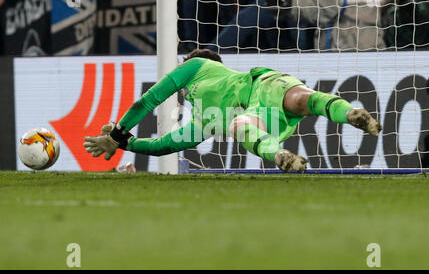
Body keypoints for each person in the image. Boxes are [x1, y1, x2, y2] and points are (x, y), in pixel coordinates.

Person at [83, 49, 382, 172]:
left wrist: (122, 136)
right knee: (305, 99)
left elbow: (146, 107)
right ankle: (349, 112)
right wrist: (123, 140)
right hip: (266, 89)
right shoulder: (201, 121)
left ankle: (278, 155)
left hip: (258, 114)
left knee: (240, 126)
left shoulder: (197, 75)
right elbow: (162, 145)